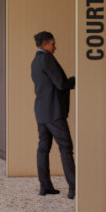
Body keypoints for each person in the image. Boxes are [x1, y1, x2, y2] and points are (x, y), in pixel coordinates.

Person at [30, 31, 76, 199]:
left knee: (43, 149)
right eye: (52, 44)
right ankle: (74, 188)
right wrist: (78, 80)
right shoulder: (47, 59)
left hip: (41, 111)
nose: (55, 47)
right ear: (44, 44)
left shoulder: (35, 61)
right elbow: (61, 84)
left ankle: (45, 186)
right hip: (54, 112)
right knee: (66, 148)